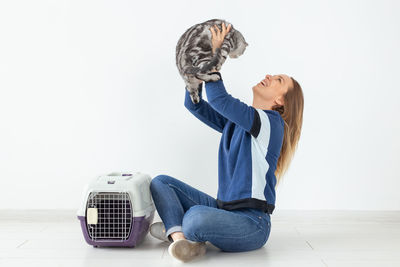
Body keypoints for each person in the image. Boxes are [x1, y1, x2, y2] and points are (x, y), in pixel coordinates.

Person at [149, 22, 304, 262]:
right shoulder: (240, 122)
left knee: (196, 217)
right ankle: (180, 240)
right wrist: (196, 64)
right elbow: (194, 104)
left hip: (252, 224)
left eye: (278, 80)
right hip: (225, 211)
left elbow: (219, 99)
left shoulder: (271, 124)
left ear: (280, 101)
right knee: (161, 183)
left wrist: (214, 55)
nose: (268, 77)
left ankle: (182, 229)